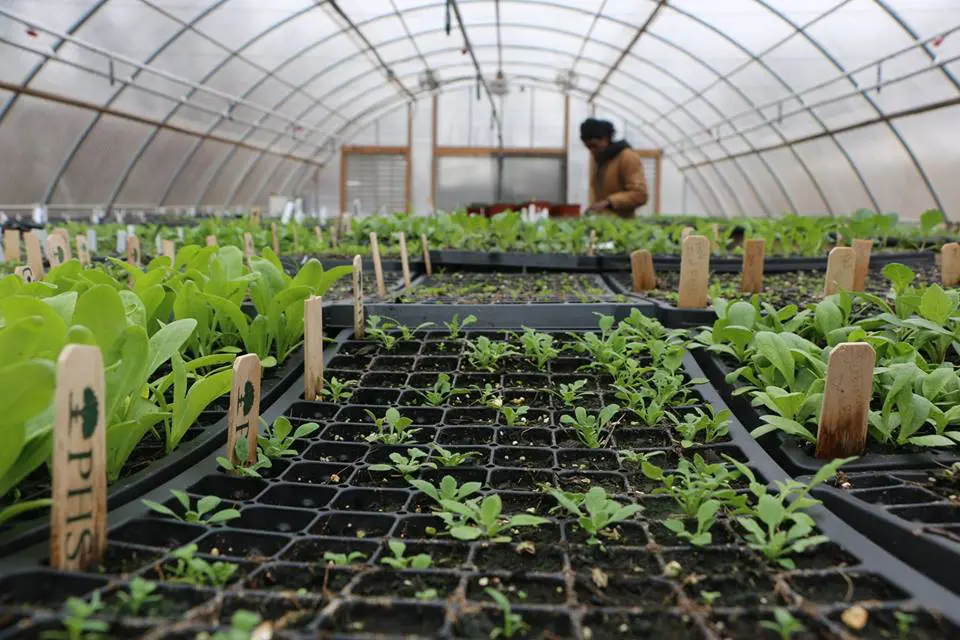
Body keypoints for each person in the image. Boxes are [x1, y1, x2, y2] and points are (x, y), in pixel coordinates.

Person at [581, 118, 649, 218]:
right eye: (588, 147)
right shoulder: (599, 160)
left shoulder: (627, 157)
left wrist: (609, 202)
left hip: (624, 225)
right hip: (603, 222)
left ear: (605, 139)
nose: (591, 151)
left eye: (594, 145)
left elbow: (640, 194)